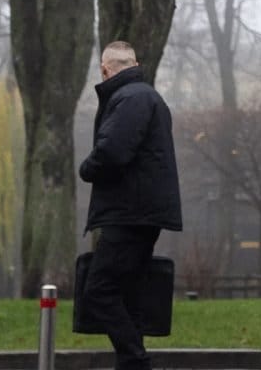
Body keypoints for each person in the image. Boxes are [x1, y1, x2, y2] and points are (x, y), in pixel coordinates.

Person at [78, 41, 182, 370]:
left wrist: (86, 169)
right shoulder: (146, 97)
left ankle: (136, 362)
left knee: (99, 291)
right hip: (143, 212)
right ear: (135, 64)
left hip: (129, 214)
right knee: (127, 294)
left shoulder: (130, 98)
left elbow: (112, 152)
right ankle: (130, 363)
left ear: (105, 70)